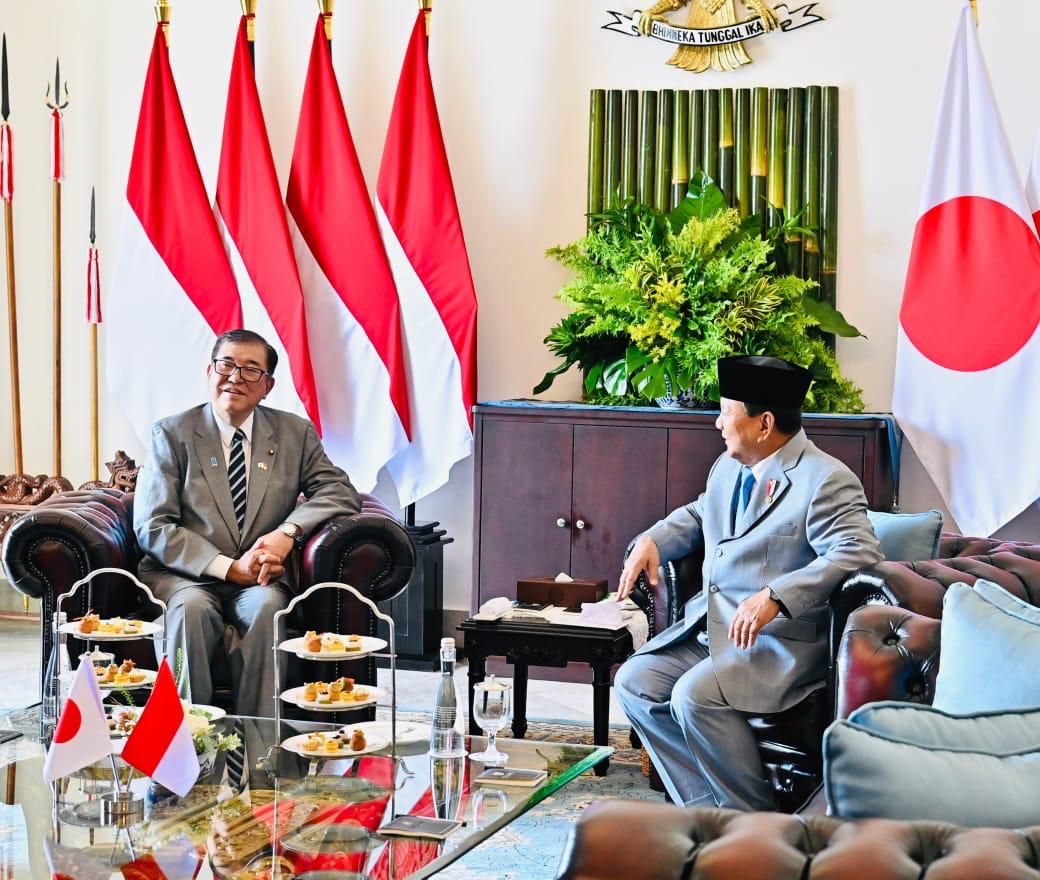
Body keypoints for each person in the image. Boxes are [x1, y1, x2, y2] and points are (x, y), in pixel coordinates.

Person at [614, 355, 882, 811]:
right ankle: (705, 811)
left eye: (726, 411)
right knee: (634, 682)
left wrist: (778, 596)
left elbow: (859, 553)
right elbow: (700, 514)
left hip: (775, 644)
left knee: (692, 696)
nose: (718, 423)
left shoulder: (826, 480)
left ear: (764, 423)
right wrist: (653, 540)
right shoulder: (728, 466)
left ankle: (753, 825)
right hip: (712, 628)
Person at [133, 329, 361, 717]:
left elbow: (340, 492)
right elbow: (154, 526)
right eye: (227, 364)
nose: (236, 377)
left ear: (267, 386)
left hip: (261, 578)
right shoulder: (171, 434)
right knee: (190, 611)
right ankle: (187, 743)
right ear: (209, 371)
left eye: (251, 370)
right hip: (186, 575)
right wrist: (226, 568)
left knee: (268, 608)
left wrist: (286, 534)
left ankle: (260, 745)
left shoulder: (294, 434)